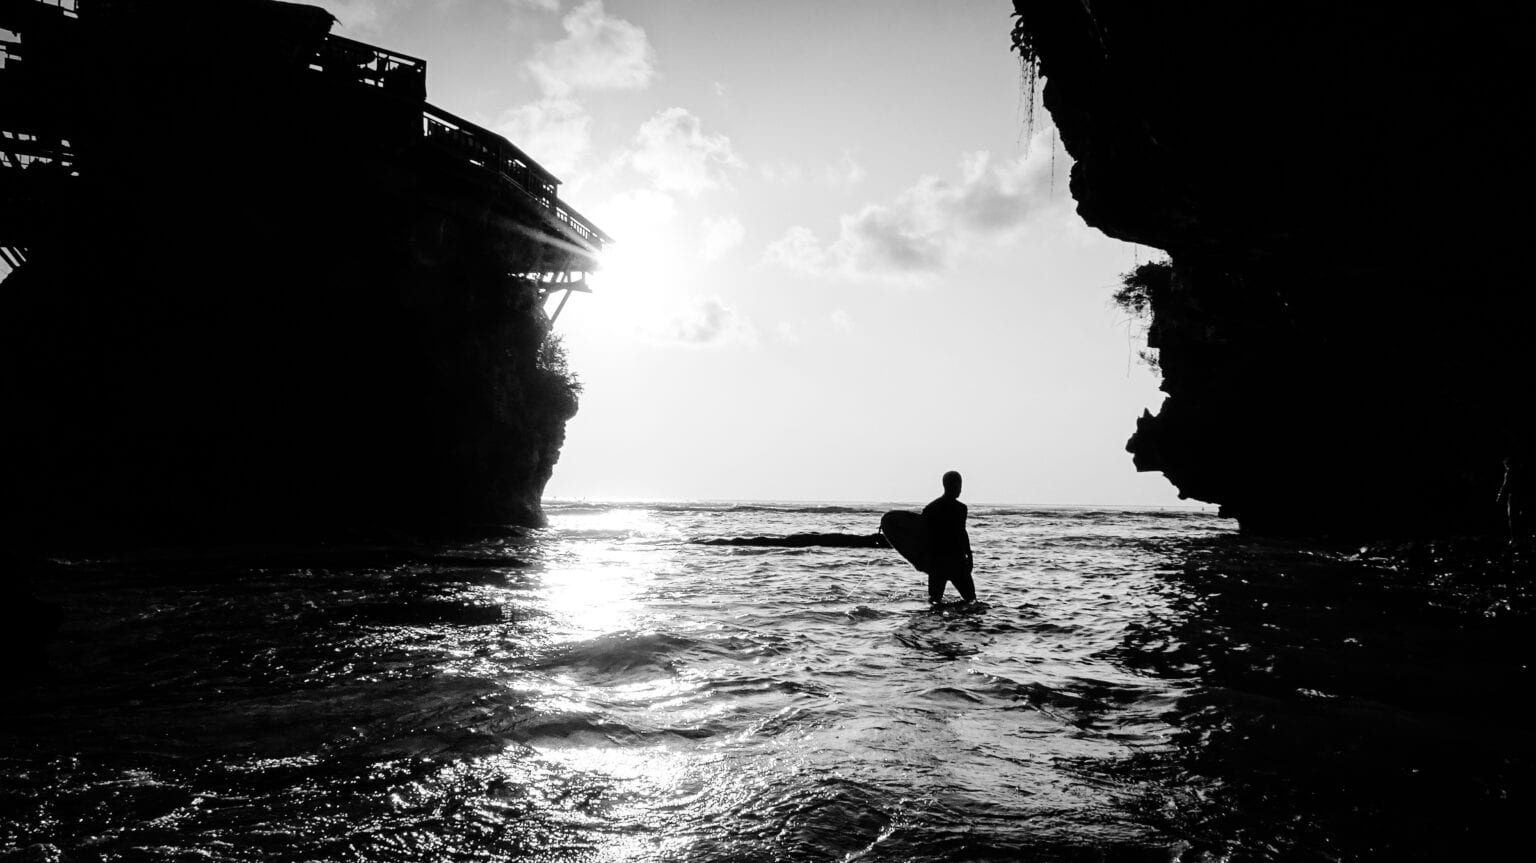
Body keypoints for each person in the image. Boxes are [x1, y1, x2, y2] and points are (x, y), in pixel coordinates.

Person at [922, 470, 976, 603]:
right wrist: (969, 555)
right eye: (959, 485)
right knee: (971, 600)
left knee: (935, 602)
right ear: (953, 485)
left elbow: (923, 536)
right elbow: (961, 534)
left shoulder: (931, 508)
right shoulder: (960, 508)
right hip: (956, 560)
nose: (960, 489)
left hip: (937, 562)